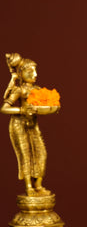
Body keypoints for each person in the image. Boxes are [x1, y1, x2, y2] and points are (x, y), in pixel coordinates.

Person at [1, 53, 55, 196]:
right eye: (29, 71)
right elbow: (4, 108)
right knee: (25, 154)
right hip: (19, 124)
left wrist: (51, 106)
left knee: (41, 153)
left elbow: (43, 104)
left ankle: (38, 184)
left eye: (35, 71)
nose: (34, 74)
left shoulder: (37, 89)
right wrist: (21, 109)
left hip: (32, 124)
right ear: (20, 73)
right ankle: (29, 186)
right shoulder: (20, 90)